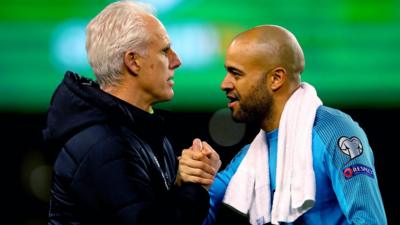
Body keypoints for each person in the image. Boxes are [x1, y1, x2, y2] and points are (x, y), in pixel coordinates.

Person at [42, 1, 220, 224]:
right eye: (165, 51)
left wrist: (181, 181)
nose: (176, 61)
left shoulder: (140, 132)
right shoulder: (103, 145)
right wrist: (196, 186)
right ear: (133, 61)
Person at [197, 25, 387, 225]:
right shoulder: (251, 157)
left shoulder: (335, 132)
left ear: (276, 79)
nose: (224, 84)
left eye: (236, 74)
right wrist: (194, 178)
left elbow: (370, 221)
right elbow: (198, 214)